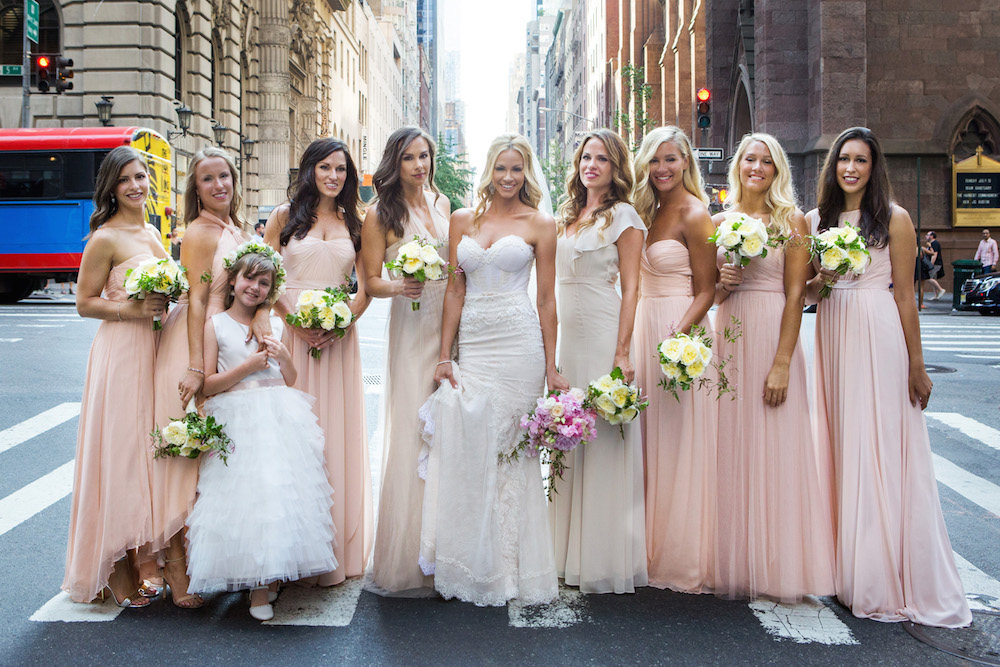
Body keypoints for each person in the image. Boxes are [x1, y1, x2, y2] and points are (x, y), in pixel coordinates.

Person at [806, 126, 971, 628]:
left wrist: (916, 365)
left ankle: (877, 574)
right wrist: (826, 278)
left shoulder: (894, 220)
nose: (851, 168)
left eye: (861, 160)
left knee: (872, 445)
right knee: (839, 445)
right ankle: (844, 567)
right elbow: (810, 293)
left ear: (874, 168)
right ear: (833, 166)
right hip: (833, 335)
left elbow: (905, 297)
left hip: (878, 337)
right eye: (843, 160)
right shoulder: (816, 221)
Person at [418, 133, 563, 606]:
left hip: (518, 345)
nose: (507, 177)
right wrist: (445, 354)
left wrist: (551, 367)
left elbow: (545, 300)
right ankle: (473, 562)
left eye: (516, 168)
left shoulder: (541, 224)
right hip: (474, 346)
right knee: (471, 447)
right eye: (500, 168)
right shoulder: (463, 220)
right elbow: (455, 292)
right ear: (489, 170)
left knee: (509, 451)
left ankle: (511, 566)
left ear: (527, 173)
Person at [712, 133, 835, 602]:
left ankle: (777, 561)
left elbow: (794, 295)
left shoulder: (792, 221)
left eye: (766, 161)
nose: (757, 167)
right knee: (730, 445)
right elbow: (712, 295)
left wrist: (782, 362)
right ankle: (733, 554)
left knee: (775, 448)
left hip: (772, 335)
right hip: (729, 333)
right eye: (749, 159)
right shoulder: (720, 221)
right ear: (738, 166)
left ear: (777, 169)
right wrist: (725, 283)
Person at [186, 251, 337, 621]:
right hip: (239, 416)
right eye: (249, 279)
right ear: (234, 281)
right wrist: (249, 365)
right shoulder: (216, 325)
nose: (254, 287)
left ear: (271, 291)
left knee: (277, 493)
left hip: (279, 415)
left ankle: (268, 578)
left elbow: (291, 379)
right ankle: (253, 581)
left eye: (264, 283)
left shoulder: (275, 327)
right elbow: (208, 385)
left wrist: (284, 357)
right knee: (247, 496)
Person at [150, 147, 263, 608]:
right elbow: (197, 302)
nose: (219, 186)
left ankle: (209, 559)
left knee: (216, 460)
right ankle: (176, 570)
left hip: (229, 337)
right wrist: (198, 367)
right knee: (186, 460)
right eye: (208, 180)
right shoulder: (198, 232)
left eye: (225, 177)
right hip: (196, 341)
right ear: (195, 189)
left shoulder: (235, 228)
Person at [62, 146, 169, 606]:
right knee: (121, 454)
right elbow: (85, 302)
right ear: (111, 187)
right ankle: (116, 569)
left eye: (141, 176)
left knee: (148, 454)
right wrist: (129, 308)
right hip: (121, 351)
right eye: (124, 178)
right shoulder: (104, 238)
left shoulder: (151, 230)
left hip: (155, 348)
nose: (135, 185)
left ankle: (147, 555)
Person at [265, 138, 373, 585]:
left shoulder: (356, 222)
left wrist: (343, 320)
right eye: (325, 167)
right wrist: (296, 322)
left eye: (341, 170)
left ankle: (333, 552)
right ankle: (290, 550)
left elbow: (366, 287)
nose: (333, 176)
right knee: (294, 438)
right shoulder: (283, 217)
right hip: (294, 338)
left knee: (335, 437)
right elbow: (260, 277)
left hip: (339, 340)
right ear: (309, 169)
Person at [550, 129, 647, 594]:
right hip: (571, 339)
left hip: (605, 332)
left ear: (616, 168)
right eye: (585, 157)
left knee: (604, 440)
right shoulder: (567, 214)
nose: (591, 165)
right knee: (569, 435)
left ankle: (602, 559)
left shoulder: (624, 215)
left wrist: (623, 351)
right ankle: (565, 552)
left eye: (602, 159)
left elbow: (632, 288)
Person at [360, 127, 451, 596]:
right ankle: (407, 558)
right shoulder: (381, 214)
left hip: (450, 324)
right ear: (395, 163)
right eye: (410, 157)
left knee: (449, 431)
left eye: (425, 156)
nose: (420, 165)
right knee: (415, 429)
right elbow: (371, 280)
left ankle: (445, 548)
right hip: (412, 324)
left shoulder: (442, 204)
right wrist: (402, 285)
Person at [631, 126, 718, 594]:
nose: (662, 169)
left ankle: (679, 551)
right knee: (645, 439)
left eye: (671, 159)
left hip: (678, 331)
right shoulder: (645, 211)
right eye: (654, 160)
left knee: (679, 441)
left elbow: (707, 289)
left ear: (686, 161)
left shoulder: (695, 213)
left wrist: (678, 337)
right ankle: (642, 543)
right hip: (644, 324)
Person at [922, 231, 946, 300]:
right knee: (933, 278)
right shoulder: (932, 244)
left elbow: (934, 255)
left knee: (929, 278)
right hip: (935, 264)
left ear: (931, 236)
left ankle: (941, 289)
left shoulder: (934, 244)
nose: (926, 236)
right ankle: (936, 295)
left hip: (935, 264)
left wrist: (931, 264)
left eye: (927, 235)